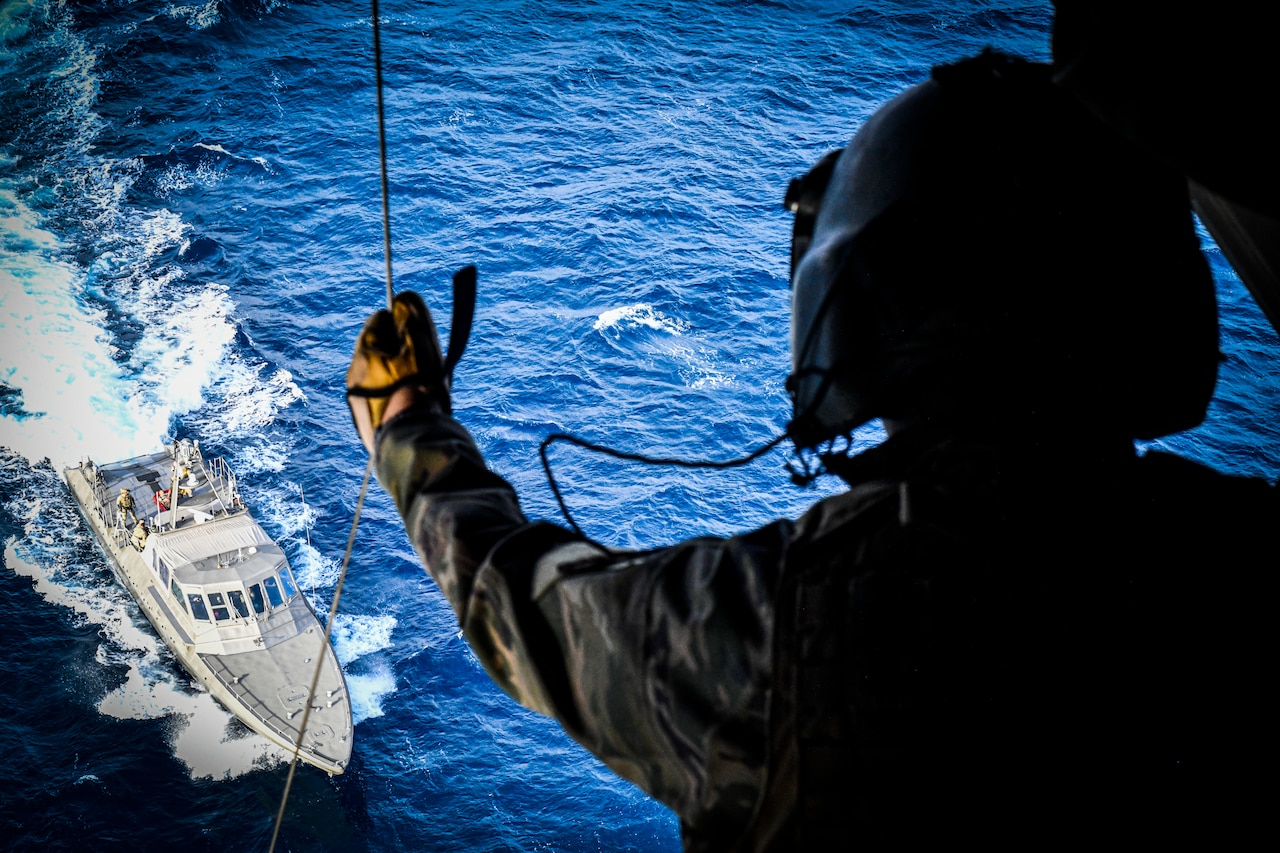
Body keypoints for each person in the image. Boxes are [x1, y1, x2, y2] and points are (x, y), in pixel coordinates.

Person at [347, 48, 1276, 850]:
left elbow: (524, 606)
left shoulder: (788, 622)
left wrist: (405, 422)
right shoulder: (1237, 563)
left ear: (865, 305)